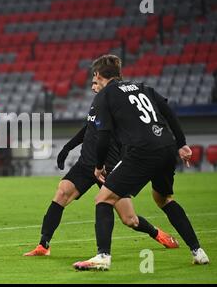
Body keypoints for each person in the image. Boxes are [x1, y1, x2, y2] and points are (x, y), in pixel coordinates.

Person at [73, 55, 209, 270]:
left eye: (94, 76)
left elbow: (103, 136)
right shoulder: (142, 86)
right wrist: (181, 144)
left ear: (98, 75)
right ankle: (198, 251)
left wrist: (99, 166)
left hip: (142, 151)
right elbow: (168, 113)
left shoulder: (105, 96)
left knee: (103, 199)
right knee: (164, 199)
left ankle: (103, 257)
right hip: (166, 147)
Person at [24, 75, 179, 257]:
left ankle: (157, 233)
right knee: (62, 192)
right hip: (85, 164)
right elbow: (88, 128)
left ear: (105, 81)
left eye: (95, 83)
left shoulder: (116, 104)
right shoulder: (98, 103)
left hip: (108, 168)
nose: (92, 87)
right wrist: (67, 148)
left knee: (130, 219)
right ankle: (43, 245)